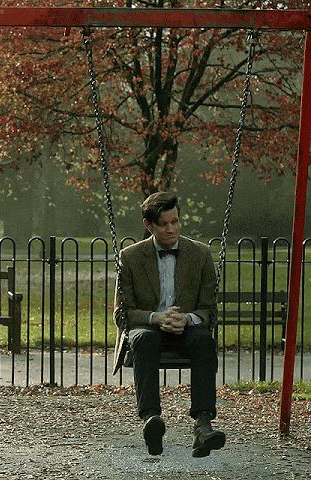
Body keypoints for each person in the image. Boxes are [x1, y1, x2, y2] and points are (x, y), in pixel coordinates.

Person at [113, 191, 225, 457]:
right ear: (148, 225)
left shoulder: (199, 254)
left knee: (203, 341)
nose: (171, 229)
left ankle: (203, 425)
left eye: (175, 221)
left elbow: (209, 310)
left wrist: (187, 318)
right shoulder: (130, 257)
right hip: (150, 328)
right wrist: (156, 317)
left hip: (186, 327)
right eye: (164, 224)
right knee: (143, 339)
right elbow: (122, 313)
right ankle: (152, 420)